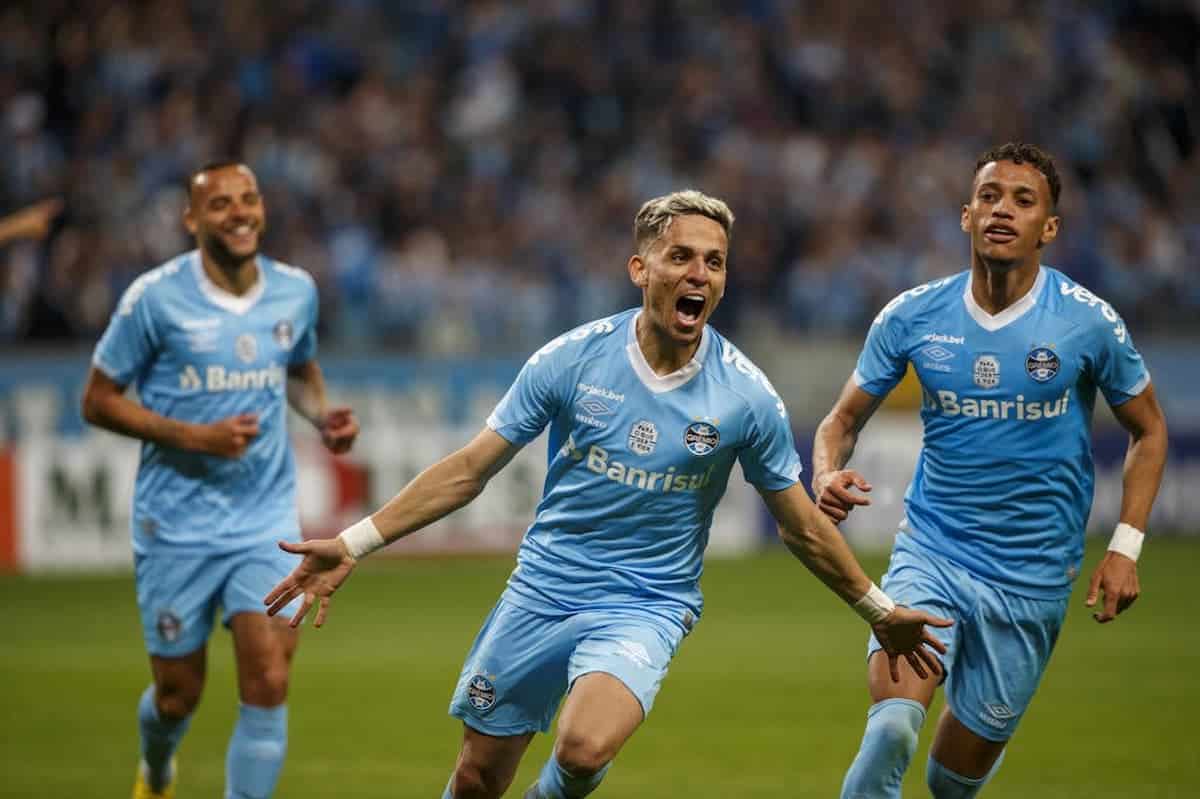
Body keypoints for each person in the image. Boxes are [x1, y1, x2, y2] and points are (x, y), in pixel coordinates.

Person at [264, 189, 950, 799]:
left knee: (584, 747)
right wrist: (355, 541)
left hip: (646, 602)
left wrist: (876, 606)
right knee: (475, 776)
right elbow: (470, 469)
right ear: (640, 268)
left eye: (713, 262)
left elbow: (800, 524)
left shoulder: (746, 396)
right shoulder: (571, 359)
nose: (698, 274)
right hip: (543, 588)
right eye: (681, 256)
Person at [813, 143, 1169, 798]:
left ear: (1049, 227)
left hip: (1032, 577)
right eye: (990, 197)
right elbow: (839, 420)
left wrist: (1125, 547)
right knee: (892, 727)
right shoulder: (914, 315)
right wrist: (827, 471)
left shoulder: (1086, 323)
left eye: (1024, 200)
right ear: (966, 216)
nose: (1003, 209)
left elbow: (1148, 429)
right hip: (934, 552)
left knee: (952, 784)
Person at [80, 161, 359, 799]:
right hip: (174, 522)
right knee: (179, 697)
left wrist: (321, 416)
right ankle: (156, 770)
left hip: (262, 519)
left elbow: (298, 366)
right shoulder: (154, 298)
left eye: (249, 199)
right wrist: (191, 436)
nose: (239, 213)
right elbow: (96, 400)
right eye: (221, 204)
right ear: (191, 219)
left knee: (268, 680)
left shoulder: (295, 290)